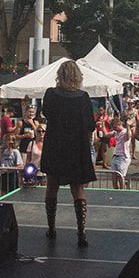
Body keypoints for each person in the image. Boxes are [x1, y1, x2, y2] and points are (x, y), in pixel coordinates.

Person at [40, 60, 97, 244]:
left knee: (52, 185)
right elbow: (90, 125)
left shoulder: (51, 94)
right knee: (78, 188)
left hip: (55, 145)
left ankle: (51, 228)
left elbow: (46, 113)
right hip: (76, 147)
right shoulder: (83, 97)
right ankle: (81, 233)